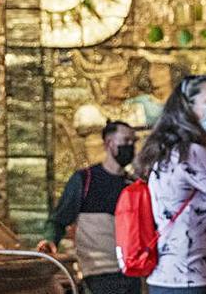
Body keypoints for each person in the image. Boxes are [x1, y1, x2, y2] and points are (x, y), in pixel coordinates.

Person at [135, 74, 206, 294]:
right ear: (188, 108)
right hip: (190, 282)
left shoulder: (169, 151)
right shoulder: (192, 154)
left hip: (167, 280)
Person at [37, 120, 140, 294]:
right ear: (109, 143)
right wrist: (50, 240)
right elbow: (59, 219)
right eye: (126, 140)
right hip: (97, 275)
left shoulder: (133, 185)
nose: (130, 146)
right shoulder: (85, 180)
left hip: (131, 275)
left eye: (133, 142)